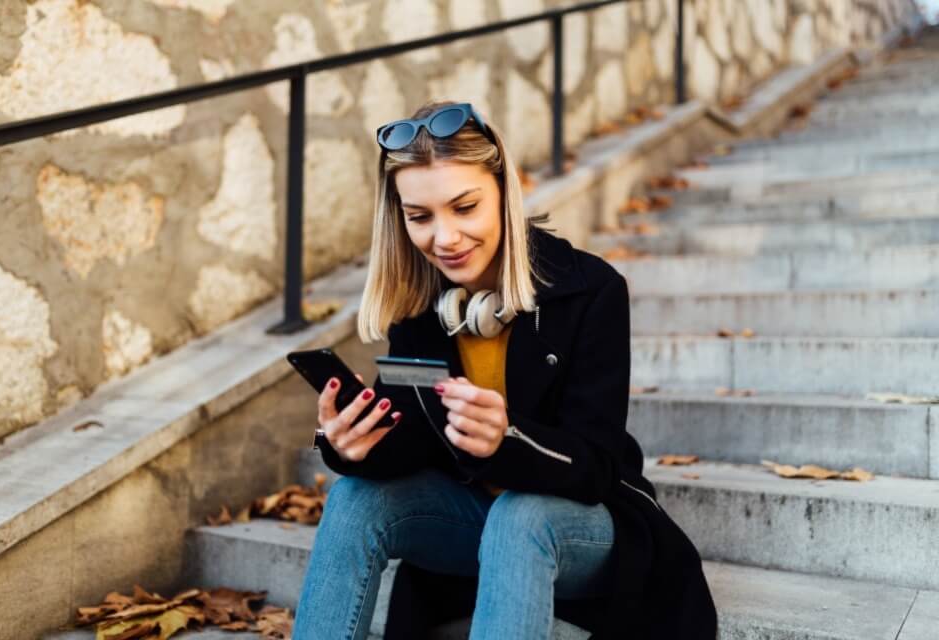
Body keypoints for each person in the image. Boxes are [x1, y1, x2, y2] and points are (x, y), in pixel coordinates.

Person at [291, 100, 717, 640]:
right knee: (354, 498)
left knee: (522, 515)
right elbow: (408, 446)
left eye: (464, 207)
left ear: (505, 189)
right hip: (473, 526)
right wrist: (345, 442)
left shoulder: (590, 291)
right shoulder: (423, 307)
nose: (443, 238)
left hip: (581, 528)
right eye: (420, 217)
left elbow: (599, 467)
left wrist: (507, 438)